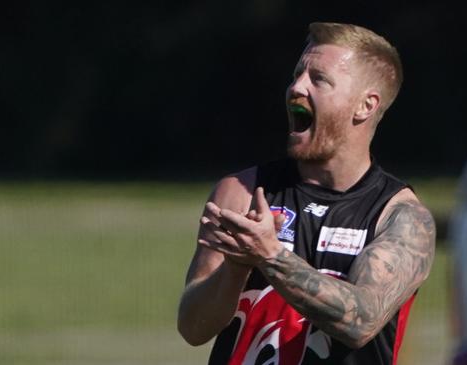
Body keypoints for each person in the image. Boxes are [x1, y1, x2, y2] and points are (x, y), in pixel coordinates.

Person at [177, 22, 435, 365]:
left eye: (319, 79)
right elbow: (193, 329)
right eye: (298, 74)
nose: (296, 87)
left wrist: (269, 255)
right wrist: (235, 269)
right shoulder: (241, 193)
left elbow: (361, 321)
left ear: (365, 106)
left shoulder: (402, 217)